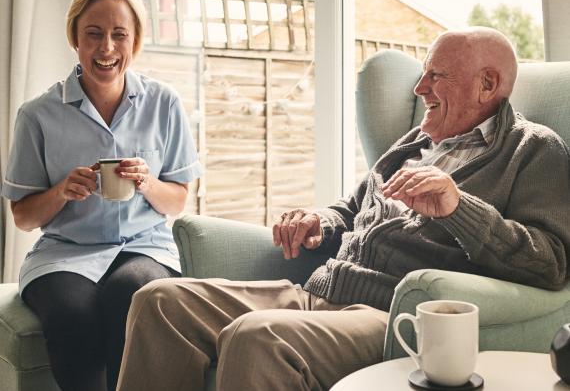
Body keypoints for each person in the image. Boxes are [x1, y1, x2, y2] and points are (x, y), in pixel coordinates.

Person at [116, 28, 570, 391]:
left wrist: (457, 206)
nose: (419, 87)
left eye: (436, 76)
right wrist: (322, 221)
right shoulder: (415, 142)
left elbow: (551, 263)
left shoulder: (532, 150)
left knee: (257, 337)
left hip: (390, 314)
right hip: (319, 292)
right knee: (158, 301)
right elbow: (352, 208)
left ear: (487, 83)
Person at [1, 0, 202, 391]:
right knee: (72, 313)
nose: (106, 47)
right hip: (64, 253)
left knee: (133, 295)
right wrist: (61, 191)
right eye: (93, 34)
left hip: (143, 247)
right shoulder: (37, 115)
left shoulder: (164, 103)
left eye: (119, 35)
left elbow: (179, 199)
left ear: (135, 41)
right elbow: (22, 216)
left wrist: (146, 181)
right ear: (75, 37)